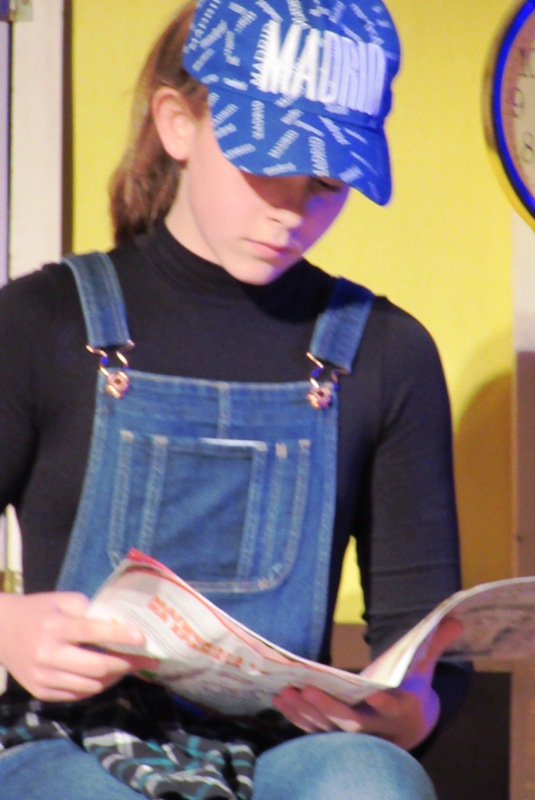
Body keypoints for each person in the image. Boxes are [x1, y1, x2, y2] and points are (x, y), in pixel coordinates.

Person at [0, 1, 468, 798]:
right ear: (178, 125)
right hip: (69, 745)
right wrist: (7, 625)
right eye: (265, 164)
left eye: (326, 181)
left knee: (372, 781)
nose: (290, 208)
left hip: (282, 751)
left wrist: (410, 713)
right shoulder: (41, 323)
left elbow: (425, 653)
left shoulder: (388, 354)